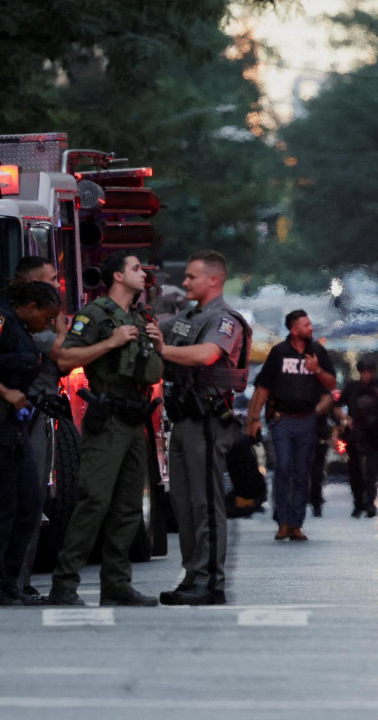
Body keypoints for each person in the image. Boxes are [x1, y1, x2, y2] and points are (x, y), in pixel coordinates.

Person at [45, 252, 163, 607]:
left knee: (128, 507)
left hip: (134, 418)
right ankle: (64, 585)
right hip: (108, 419)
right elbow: (65, 359)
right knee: (95, 500)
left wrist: (158, 345)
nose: (143, 274)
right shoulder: (94, 315)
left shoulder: (142, 318)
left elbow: (153, 371)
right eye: (136, 268)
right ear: (117, 276)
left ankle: (117, 584)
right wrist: (111, 342)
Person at [159, 250, 249, 606]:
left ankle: (211, 582)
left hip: (208, 421)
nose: (185, 283)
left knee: (206, 503)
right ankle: (193, 575)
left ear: (214, 279)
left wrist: (160, 348)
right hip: (184, 420)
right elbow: (153, 331)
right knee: (183, 503)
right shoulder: (188, 317)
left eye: (192, 277)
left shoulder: (225, 320)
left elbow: (206, 356)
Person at [0, 280, 61, 605]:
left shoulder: (21, 330)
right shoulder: (1, 321)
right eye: (47, 317)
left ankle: (9, 581)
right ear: (31, 307)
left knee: (30, 502)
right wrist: (3, 391)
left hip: (14, 426)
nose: (47, 325)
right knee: (4, 506)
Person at [245, 310, 336, 542]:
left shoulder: (317, 351)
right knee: (284, 467)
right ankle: (282, 521)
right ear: (294, 329)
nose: (311, 328)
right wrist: (253, 419)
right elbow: (262, 387)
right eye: (306, 325)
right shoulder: (279, 352)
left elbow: (332, 383)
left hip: (307, 419)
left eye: (310, 323)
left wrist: (316, 370)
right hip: (281, 419)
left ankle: (297, 523)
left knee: (302, 471)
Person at [13, 257, 69, 604]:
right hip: (25, 419)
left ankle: (20, 580)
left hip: (37, 416)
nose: (56, 283)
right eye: (49, 279)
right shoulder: (26, 325)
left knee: (33, 499)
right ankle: (14, 581)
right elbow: (66, 355)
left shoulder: (34, 321)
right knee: (27, 498)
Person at [337, 360, 378, 518]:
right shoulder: (353, 387)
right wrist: (346, 419)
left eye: (368, 372)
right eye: (363, 372)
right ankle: (358, 503)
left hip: (375, 435)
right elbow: (337, 405)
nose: (366, 375)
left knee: (372, 471)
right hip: (355, 434)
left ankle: (370, 503)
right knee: (355, 471)